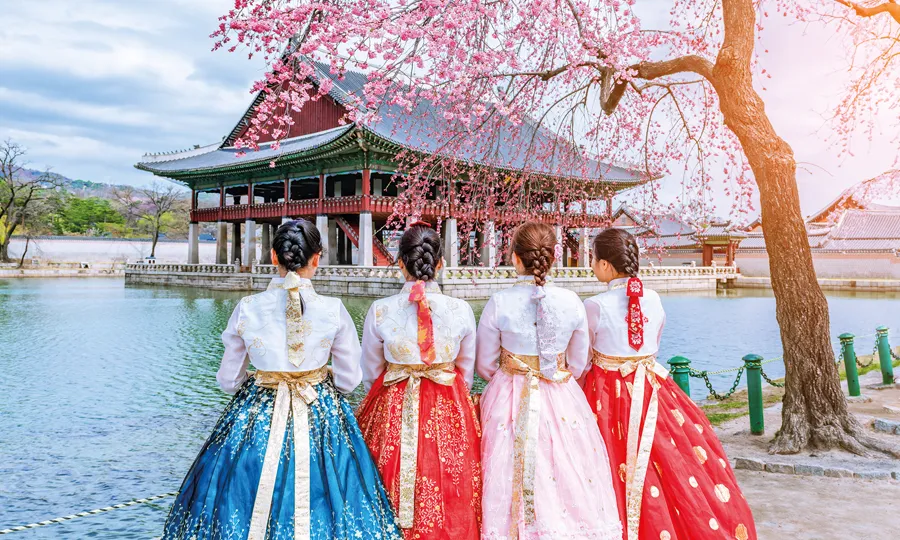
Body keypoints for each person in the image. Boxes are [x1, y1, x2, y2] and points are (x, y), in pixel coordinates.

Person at [162, 219, 401, 540]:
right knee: (329, 493)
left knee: (246, 494)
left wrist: (260, 379)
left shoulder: (247, 307)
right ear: (317, 259)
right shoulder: (333, 309)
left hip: (259, 411)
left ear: (274, 257)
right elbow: (349, 379)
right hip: (319, 410)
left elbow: (228, 380)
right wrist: (322, 376)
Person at [582, 228, 756, 540]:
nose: (592, 265)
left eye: (593, 259)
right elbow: (653, 346)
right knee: (671, 463)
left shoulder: (595, 305)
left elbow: (583, 359)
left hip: (608, 395)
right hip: (654, 391)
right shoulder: (654, 299)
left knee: (608, 463)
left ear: (606, 265)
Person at [475, 221, 622, 540]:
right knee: (567, 468)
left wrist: (510, 373)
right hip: (560, 393)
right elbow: (579, 363)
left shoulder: (499, 303)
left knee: (506, 467)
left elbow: (484, 365)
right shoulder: (572, 302)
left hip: (510, 394)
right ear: (554, 257)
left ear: (515, 259)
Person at [356, 222, 482, 540]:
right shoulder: (462, 310)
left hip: (393, 401)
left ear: (400, 263)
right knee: (450, 481)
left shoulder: (380, 310)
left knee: (386, 475)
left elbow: (371, 368)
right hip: (447, 400)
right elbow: (465, 370)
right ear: (439, 263)